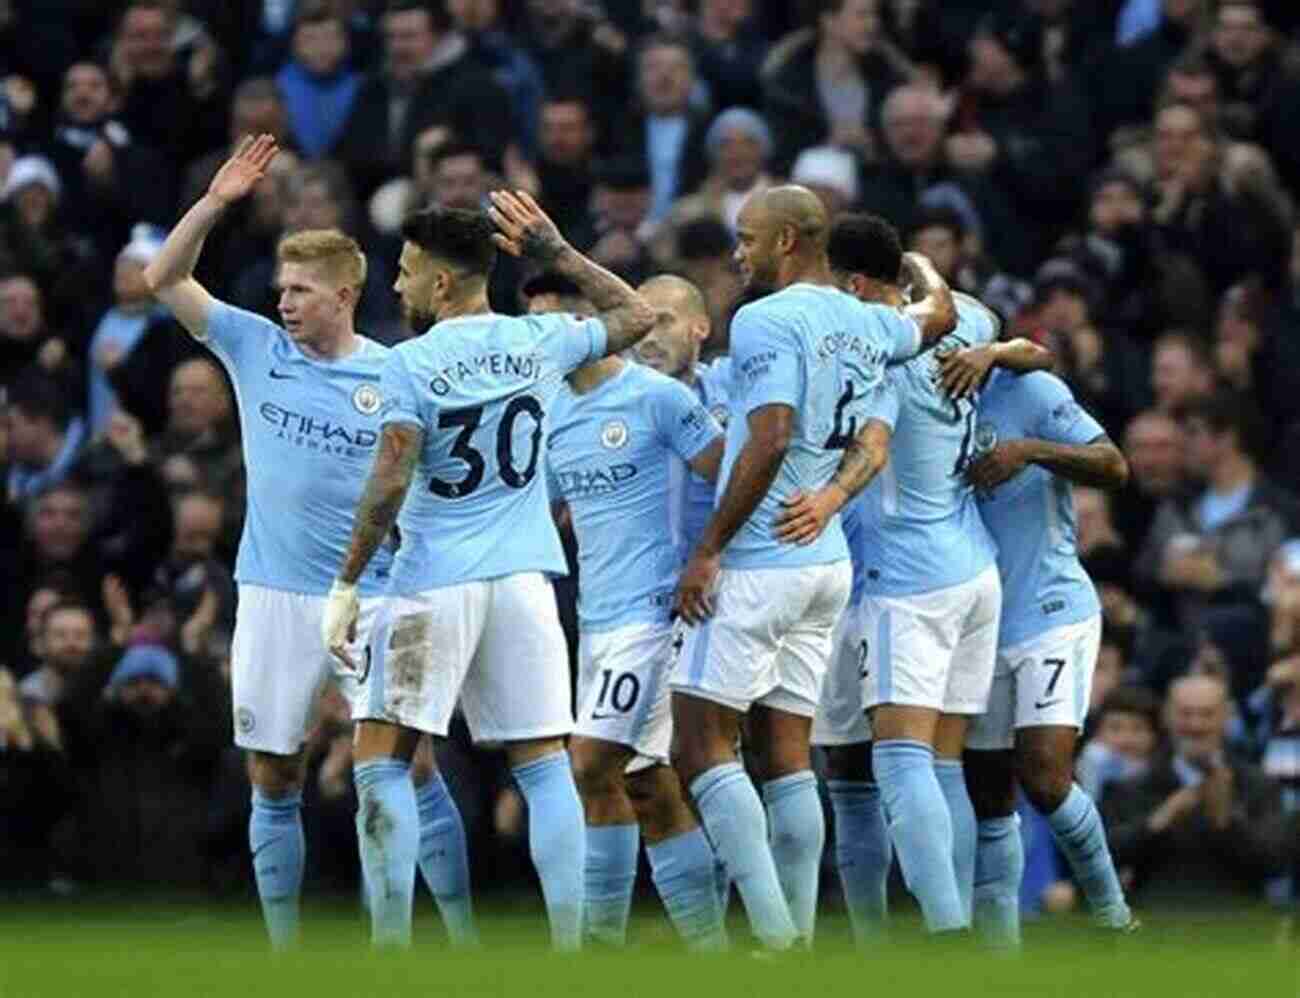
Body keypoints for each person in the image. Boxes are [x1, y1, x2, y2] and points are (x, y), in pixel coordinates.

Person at [321, 193, 655, 950]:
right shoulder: (543, 338)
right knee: (543, 768)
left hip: (431, 584)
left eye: (406, 274)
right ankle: (571, 952)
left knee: (381, 764)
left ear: (442, 285)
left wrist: (347, 583)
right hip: (526, 583)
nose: (398, 289)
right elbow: (639, 317)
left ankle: (390, 954)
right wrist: (559, 253)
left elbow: (392, 475)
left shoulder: (410, 361)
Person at [140, 134, 409, 950]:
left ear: (347, 293)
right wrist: (217, 203)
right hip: (272, 591)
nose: (285, 302)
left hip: (371, 595)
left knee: (382, 774)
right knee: (275, 772)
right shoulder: (255, 346)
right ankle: (284, 950)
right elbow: (163, 279)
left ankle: (390, 949)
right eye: (282, 287)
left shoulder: (394, 373)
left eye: (302, 291)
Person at [669, 190, 955, 948]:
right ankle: (791, 933)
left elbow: (770, 435)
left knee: (697, 743)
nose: (738, 254)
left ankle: (776, 937)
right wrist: (919, 267)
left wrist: (709, 549)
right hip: (824, 558)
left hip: (762, 557)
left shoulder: (767, 318)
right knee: (786, 752)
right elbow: (941, 317)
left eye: (748, 238)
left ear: (788, 240)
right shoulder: (867, 321)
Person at [540, 273, 728, 949]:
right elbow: (542, 507)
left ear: (594, 323)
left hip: (657, 617)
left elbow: (731, 477)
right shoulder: (555, 412)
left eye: (555, 325)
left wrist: (710, 558)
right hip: (596, 618)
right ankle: (713, 953)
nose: (545, 341)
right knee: (645, 784)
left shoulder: (658, 399)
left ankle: (593, 950)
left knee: (587, 764)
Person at [954, 351, 1135, 945]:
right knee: (989, 795)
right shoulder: (917, 397)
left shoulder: (1027, 390)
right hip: (976, 622)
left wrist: (1029, 449)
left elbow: (1112, 464)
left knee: (1045, 776)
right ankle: (1000, 957)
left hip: (1050, 610)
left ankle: (1113, 918)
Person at [1101, 674, 1292, 908]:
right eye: (1186, 713)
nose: (1196, 725)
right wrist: (1155, 823)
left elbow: (1277, 862)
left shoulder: (1258, 785)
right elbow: (1102, 862)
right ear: (1167, 717)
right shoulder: (1131, 786)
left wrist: (1228, 820)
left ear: (1224, 718)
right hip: (1157, 932)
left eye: (1206, 714)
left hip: (1238, 931)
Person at [630, 274, 732, 553]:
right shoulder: (611, 403)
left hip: (724, 574)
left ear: (701, 327)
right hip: (644, 579)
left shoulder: (733, 387)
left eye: (664, 321)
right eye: (641, 325)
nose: (648, 338)